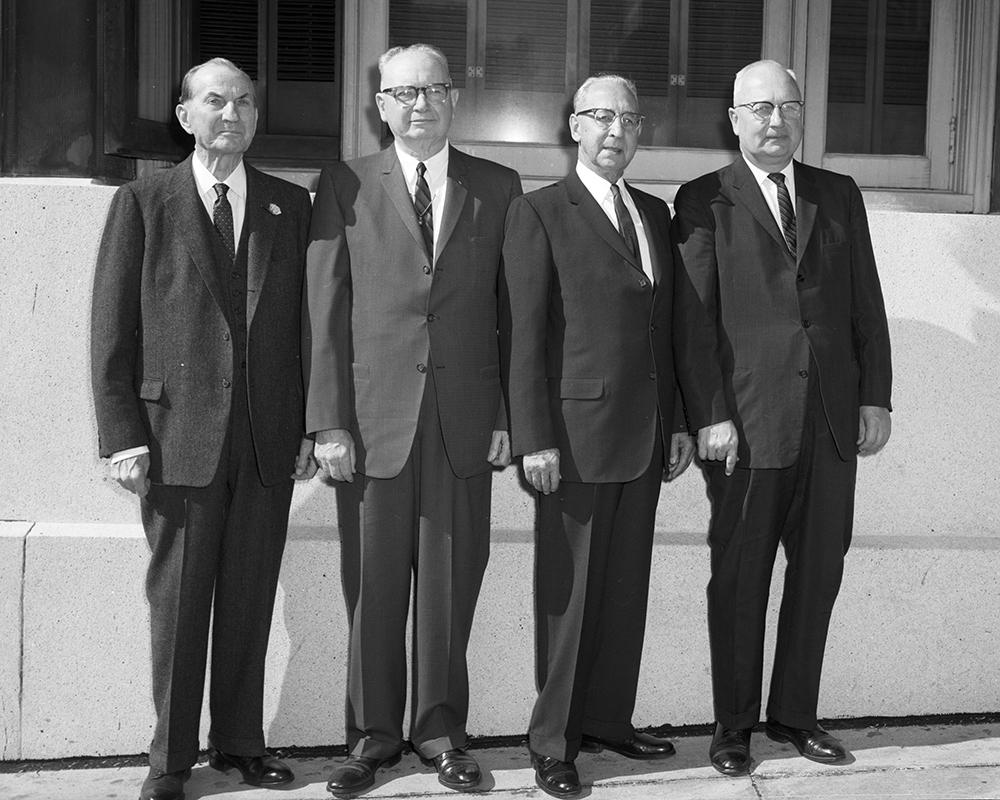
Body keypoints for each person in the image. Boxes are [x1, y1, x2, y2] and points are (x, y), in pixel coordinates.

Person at [501, 74, 738, 799]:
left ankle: (606, 719)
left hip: (644, 436)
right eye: (602, 117)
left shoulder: (653, 212)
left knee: (624, 589)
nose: (616, 132)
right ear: (573, 125)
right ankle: (553, 742)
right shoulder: (537, 212)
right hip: (571, 437)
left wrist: (674, 421)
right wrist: (532, 437)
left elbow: (665, 327)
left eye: (630, 121)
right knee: (569, 596)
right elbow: (524, 334)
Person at [90, 58, 315, 800]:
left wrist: (310, 426)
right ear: (184, 115)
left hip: (265, 442)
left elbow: (310, 328)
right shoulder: (144, 203)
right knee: (180, 609)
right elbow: (112, 330)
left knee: (249, 599)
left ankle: (242, 745)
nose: (233, 114)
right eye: (216, 101)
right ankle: (171, 761)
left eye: (245, 102)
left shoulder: (290, 205)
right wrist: (123, 435)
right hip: (175, 438)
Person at [302, 43, 522, 797]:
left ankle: (439, 732)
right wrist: (327, 421)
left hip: (464, 417)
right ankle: (372, 736)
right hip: (371, 421)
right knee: (373, 584)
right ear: (381, 104)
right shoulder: (343, 183)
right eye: (405, 92)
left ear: (453, 99)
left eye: (433, 90)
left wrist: (506, 416)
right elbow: (323, 308)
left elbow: (509, 310)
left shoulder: (498, 184)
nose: (420, 104)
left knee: (451, 584)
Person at [671, 59, 893, 776]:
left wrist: (874, 396)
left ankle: (796, 715)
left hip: (829, 420)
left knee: (818, 572)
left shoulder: (837, 194)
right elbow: (694, 320)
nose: (775, 120)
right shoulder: (704, 198)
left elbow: (865, 301)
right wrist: (709, 414)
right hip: (746, 423)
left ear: (802, 114)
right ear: (733, 119)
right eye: (759, 108)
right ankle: (734, 728)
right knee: (740, 579)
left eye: (787, 106)